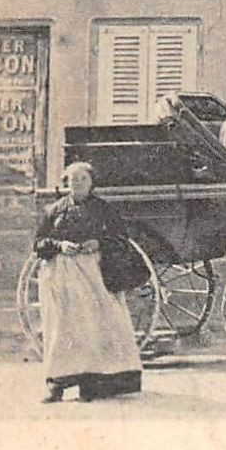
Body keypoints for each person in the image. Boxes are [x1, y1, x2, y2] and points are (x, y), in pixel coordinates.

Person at [33, 162, 144, 403]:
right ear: (66, 183)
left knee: (95, 324)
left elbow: (121, 238)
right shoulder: (54, 210)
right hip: (61, 275)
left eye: (83, 179)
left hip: (95, 273)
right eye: (73, 180)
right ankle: (56, 384)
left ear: (92, 182)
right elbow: (38, 243)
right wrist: (59, 245)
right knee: (62, 328)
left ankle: (92, 384)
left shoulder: (104, 209)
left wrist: (99, 242)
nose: (78, 184)